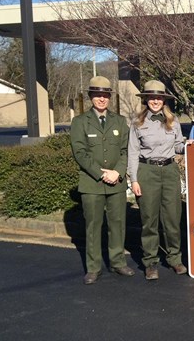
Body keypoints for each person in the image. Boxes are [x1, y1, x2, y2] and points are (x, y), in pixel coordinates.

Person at [70, 76, 135, 285]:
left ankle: (117, 262)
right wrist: (101, 173)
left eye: (105, 95)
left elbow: (126, 150)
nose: (101, 99)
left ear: (109, 97)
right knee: (93, 226)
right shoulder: (80, 122)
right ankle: (93, 267)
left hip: (116, 182)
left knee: (117, 224)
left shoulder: (119, 121)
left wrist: (118, 172)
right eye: (97, 95)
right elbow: (80, 152)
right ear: (91, 97)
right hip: (92, 183)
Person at [128, 80, 188, 281]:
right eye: (152, 97)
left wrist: (188, 144)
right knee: (149, 219)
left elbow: (178, 145)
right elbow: (133, 153)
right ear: (146, 99)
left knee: (172, 217)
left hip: (170, 171)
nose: (155, 101)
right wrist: (134, 180)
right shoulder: (138, 122)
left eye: (159, 97)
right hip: (147, 171)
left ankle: (174, 258)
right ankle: (150, 262)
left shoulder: (173, 120)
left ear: (164, 100)